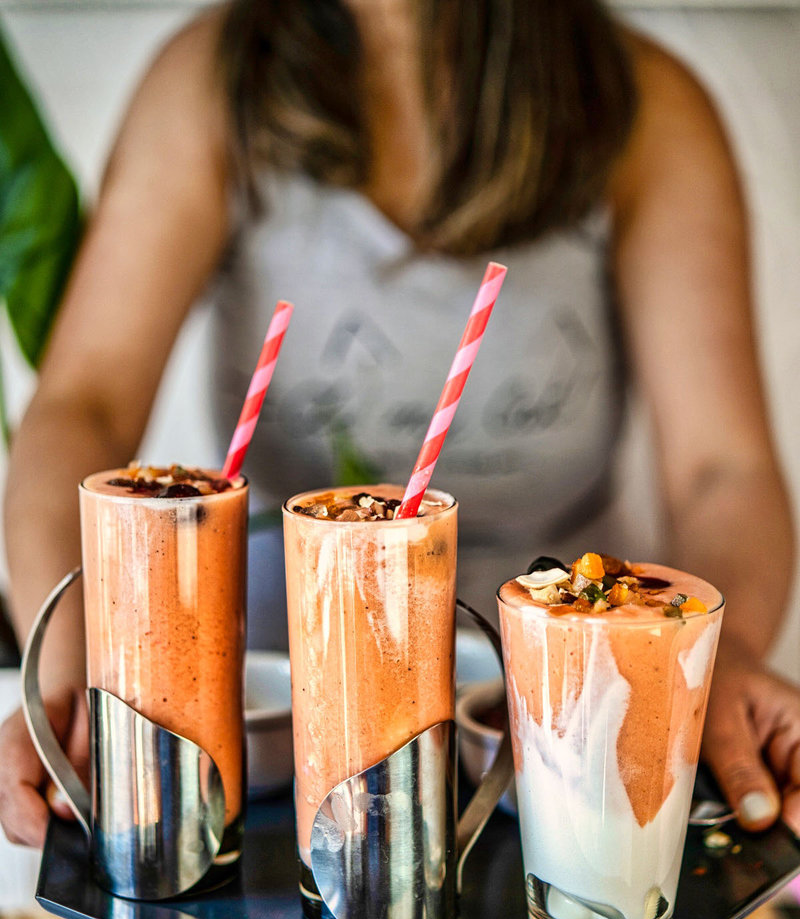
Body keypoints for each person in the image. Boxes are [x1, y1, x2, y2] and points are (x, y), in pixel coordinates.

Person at [0, 0, 798, 849]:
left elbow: (725, 470)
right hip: (286, 732)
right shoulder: (211, 83)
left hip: (578, 724)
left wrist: (722, 657)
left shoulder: (646, 106)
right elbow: (82, 405)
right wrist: (71, 675)